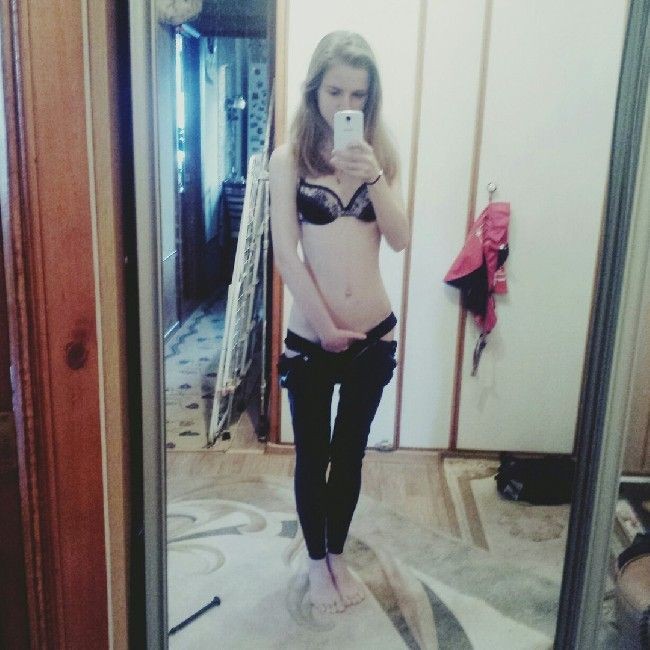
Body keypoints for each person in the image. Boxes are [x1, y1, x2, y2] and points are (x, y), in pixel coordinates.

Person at [269, 31, 410, 614]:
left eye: (358, 94)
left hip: (373, 336)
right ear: (314, 91)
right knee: (313, 454)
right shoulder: (289, 159)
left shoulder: (383, 156)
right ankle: (313, 564)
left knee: (350, 455)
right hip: (311, 337)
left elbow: (399, 239)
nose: (346, 104)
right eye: (335, 92)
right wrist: (325, 326)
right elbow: (286, 254)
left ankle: (336, 554)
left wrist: (375, 178)